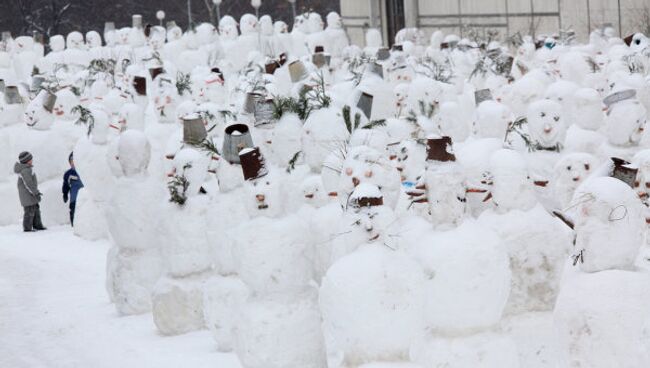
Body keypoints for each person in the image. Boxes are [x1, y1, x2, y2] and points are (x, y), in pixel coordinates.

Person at [14, 151, 46, 232]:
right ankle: (27, 228)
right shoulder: (25, 170)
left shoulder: (27, 169)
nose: (32, 160)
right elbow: (29, 183)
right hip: (28, 196)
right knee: (29, 211)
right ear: (27, 160)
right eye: (30, 159)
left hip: (30, 195)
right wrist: (35, 192)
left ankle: (37, 225)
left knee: (36, 209)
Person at [62, 152, 84, 226]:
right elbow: (65, 185)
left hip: (85, 198)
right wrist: (65, 194)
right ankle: (74, 225)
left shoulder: (84, 170)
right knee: (73, 211)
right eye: (71, 161)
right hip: (74, 198)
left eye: (74, 160)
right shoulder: (69, 173)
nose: (73, 162)